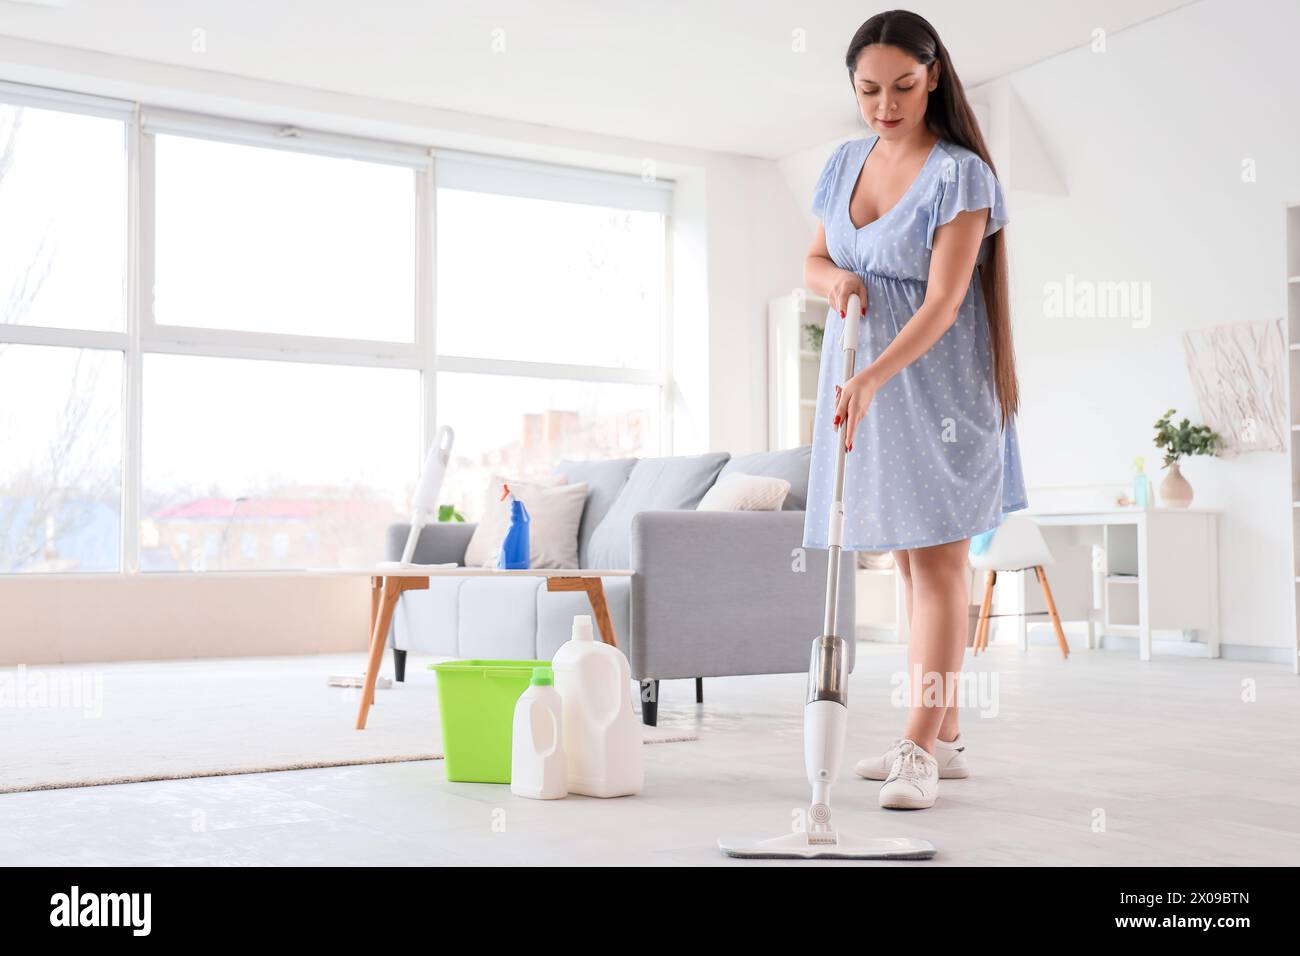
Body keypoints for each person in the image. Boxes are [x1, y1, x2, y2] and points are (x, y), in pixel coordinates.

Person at [801, 10, 1028, 811]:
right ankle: (946, 737)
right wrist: (837, 284)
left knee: (936, 566)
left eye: (902, 86)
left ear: (933, 75)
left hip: (934, 389)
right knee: (904, 560)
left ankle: (919, 747)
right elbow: (817, 255)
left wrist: (872, 379)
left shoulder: (960, 174)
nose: (885, 105)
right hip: (864, 378)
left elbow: (942, 302)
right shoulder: (841, 164)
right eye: (868, 90)